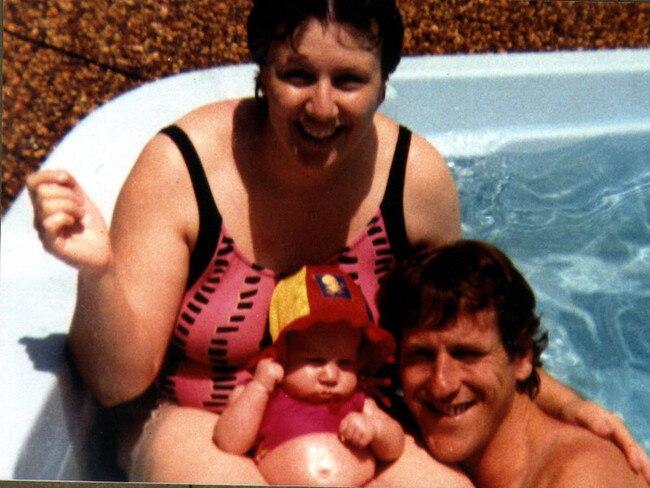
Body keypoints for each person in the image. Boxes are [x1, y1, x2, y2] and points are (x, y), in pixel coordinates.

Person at [26, 0, 648, 484]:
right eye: (298, 75)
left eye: (348, 81)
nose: (321, 108)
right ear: (262, 73)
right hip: (203, 424)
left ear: (383, 85)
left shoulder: (412, 178)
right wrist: (98, 271)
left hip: (359, 427)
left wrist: (570, 405)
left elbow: (457, 334)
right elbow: (117, 383)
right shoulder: (184, 171)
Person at [379, 240, 648, 487]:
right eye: (422, 355)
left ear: (522, 358)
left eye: (466, 354)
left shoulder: (577, 477)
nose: (441, 384)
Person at [214, 264, 404, 486]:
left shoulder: (360, 402)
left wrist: (375, 430)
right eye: (315, 361)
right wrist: (259, 387)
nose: (331, 376)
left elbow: (395, 447)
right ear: (281, 357)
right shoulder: (265, 398)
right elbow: (228, 443)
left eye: (345, 363)